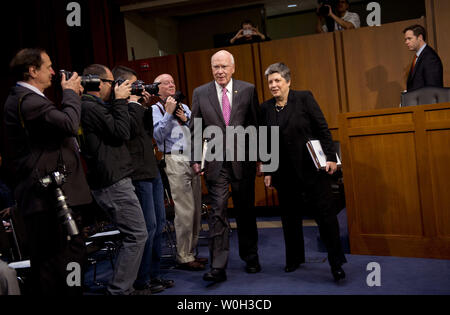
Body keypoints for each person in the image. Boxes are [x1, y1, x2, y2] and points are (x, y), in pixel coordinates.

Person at [3, 48, 92, 294]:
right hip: (46, 200)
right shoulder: (27, 100)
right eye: (48, 66)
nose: (54, 72)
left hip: (49, 197)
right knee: (62, 263)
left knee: (60, 262)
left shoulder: (29, 99)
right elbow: (69, 124)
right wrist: (72, 95)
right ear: (32, 70)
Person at [261, 62, 346, 282]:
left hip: (312, 171)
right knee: (290, 219)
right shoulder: (266, 108)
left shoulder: (304, 98)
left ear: (288, 81)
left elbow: (322, 127)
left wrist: (330, 158)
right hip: (284, 174)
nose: (273, 85)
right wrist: (268, 171)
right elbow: (266, 143)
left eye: (277, 80)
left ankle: (336, 263)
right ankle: (294, 258)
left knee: (325, 218)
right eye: (270, 81)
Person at [190, 50, 261, 283]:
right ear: (211, 69)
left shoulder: (248, 89)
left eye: (223, 67)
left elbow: (256, 126)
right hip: (215, 162)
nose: (219, 71)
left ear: (233, 68)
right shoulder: (200, 93)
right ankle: (218, 266)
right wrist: (195, 159)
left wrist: (261, 158)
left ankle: (250, 256)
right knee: (218, 211)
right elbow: (195, 129)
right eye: (215, 67)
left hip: (243, 161)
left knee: (245, 211)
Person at [80, 64, 149, 295]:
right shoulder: (90, 107)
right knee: (137, 235)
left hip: (115, 178)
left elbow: (122, 128)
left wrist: (129, 103)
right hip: (112, 181)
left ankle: (123, 288)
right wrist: (122, 102)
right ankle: (120, 290)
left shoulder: (97, 106)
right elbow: (122, 132)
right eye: (112, 83)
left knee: (135, 234)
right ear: (100, 84)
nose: (115, 87)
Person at [111, 66, 173, 293]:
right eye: (133, 85)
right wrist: (135, 104)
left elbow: (147, 132)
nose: (138, 88)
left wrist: (144, 105)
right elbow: (129, 131)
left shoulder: (136, 107)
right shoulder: (119, 109)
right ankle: (141, 280)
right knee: (148, 227)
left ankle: (154, 275)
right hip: (137, 172)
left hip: (152, 168)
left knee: (159, 225)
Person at [152, 73, 206, 271]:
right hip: (174, 158)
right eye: (166, 83)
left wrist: (186, 118)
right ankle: (184, 256)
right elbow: (158, 135)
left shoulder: (185, 107)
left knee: (196, 211)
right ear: (157, 89)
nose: (171, 84)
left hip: (192, 159)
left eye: (173, 81)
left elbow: (197, 131)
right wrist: (168, 113)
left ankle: (191, 251)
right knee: (185, 211)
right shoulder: (155, 109)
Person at [403, 24, 443, 92]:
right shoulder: (419, 56)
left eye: (409, 38)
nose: (406, 42)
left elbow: (433, 89)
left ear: (420, 37)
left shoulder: (430, 58)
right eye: (405, 39)